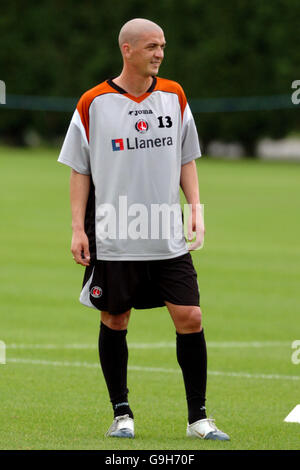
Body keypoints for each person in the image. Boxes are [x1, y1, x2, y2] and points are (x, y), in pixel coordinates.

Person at [58, 18, 229, 441]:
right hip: (114, 234)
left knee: (190, 316)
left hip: (165, 233)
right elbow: (79, 169)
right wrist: (78, 228)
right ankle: (122, 414)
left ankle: (198, 419)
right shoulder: (93, 103)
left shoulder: (175, 95)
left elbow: (187, 156)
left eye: (163, 46)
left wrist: (196, 207)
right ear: (127, 50)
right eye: (152, 46)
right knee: (115, 319)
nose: (160, 53)